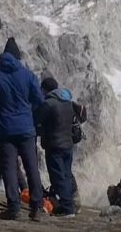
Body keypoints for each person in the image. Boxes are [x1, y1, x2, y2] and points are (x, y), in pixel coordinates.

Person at [0, 37, 45, 221]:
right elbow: (40, 100)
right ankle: (37, 207)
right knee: (32, 167)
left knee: (8, 168)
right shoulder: (28, 75)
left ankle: (14, 208)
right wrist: (27, 109)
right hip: (26, 129)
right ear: (18, 57)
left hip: (4, 129)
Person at [34, 76, 82, 217]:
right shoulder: (67, 102)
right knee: (66, 175)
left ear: (44, 89)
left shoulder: (48, 104)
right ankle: (67, 205)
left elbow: (36, 119)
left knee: (57, 177)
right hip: (68, 145)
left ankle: (68, 209)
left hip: (54, 145)